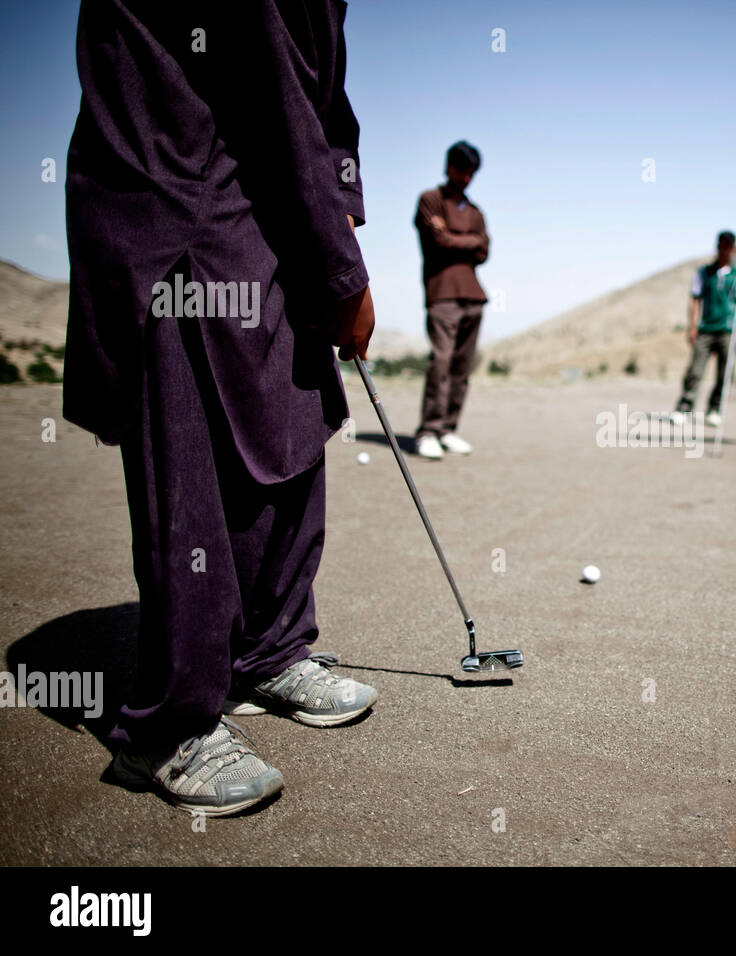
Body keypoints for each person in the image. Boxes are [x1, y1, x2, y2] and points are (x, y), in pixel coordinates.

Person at [63, 1, 378, 816]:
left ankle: (268, 650)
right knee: (193, 461)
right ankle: (167, 728)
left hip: (257, 210)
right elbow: (278, 96)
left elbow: (322, 102)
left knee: (292, 412)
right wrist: (342, 272)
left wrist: (341, 208)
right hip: (172, 209)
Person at [413, 141, 490, 459]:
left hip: (473, 295)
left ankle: (448, 430)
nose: (467, 178)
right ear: (449, 167)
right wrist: (468, 241)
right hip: (442, 293)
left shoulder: (474, 211)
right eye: (462, 170)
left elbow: (484, 250)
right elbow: (437, 242)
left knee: (462, 367)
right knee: (441, 362)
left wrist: (456, 238)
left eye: (472, 173)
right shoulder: (430, 200)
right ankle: (428, 431)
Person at [673, 231, 736, 427]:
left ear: (733, 248)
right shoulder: (704, 273)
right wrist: (692, 325)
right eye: (721, 245)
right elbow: (695, 299)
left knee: (725, 373)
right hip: (706, 328)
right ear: (717, 246)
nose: (724, 249)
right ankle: (684, 408)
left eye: (728, 245)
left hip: (728, 330)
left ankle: (714, 409)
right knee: (695, 370)